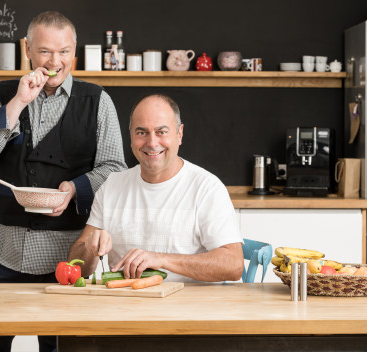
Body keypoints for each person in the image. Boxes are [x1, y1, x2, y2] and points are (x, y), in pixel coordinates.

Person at [0, 11, 127, 352]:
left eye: (64, 51)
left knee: (60, 350)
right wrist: (18, 103)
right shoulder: (2, 94)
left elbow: (114, 168)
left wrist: (75, 189)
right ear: (27, 49)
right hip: (3, 252)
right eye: (45, 51)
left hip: (66, 257)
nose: (55, 62)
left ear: (74, 51)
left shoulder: (98, 101)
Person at [68, 94, 244, 283]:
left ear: (179, 134)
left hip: (187, 301)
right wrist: (90, 248)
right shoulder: (112, 185)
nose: (152, 143)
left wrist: (162, 259)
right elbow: (76, 266)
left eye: (161, 132)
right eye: (141, 132)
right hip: (124, 300)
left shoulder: (207, 188)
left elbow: (233, 265)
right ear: (131, 136)